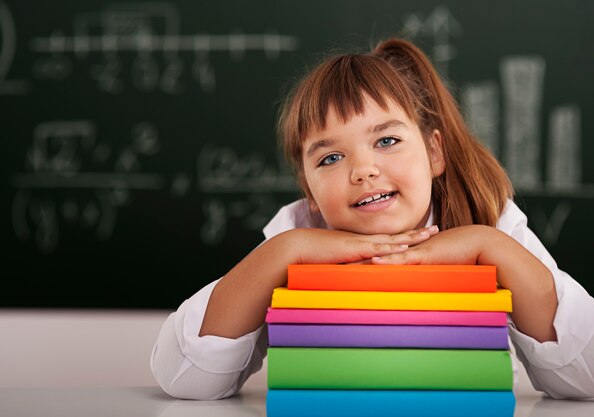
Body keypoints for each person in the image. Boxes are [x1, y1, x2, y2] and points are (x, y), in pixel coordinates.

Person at [150, 38, 594, 400]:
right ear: (310, 193)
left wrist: (489, 245)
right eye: (331, 157)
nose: (362, 170)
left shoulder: (487, 219)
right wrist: (287, 250)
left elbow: (585, 377)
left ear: (434, 152)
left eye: (386, 140)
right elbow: (185, 378)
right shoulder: (298, 231)